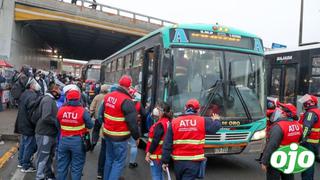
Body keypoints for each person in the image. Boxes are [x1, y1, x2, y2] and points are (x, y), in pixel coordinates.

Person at [91, 75, 140, 180]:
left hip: (107, 134)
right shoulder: (127, 100)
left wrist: (108, 126)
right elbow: (133, 123)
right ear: (129, 86)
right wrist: (136, 137)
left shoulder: (108, 96)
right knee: (118, 162)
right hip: (120, 137)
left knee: (109, 159)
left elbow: (102, 115)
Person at [161, 99, 221, 180]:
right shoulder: (202, 121)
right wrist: (217, 119)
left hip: (178, 162)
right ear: (198, 110)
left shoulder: (174, 122)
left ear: (185, 108)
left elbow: (167, 144)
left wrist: (165, 161)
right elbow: (215, 127)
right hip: (194, 162)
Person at [56, 89, 93, 180]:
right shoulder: (82, 111)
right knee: (76, 167)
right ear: (79, 98)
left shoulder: (61, 110)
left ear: (67, 98)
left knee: (62, 166)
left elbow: (57, 125)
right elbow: (90, 125)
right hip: (78, 142)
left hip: (64, 140)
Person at [261, 104, 303, 180]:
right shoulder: (298, 126)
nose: (278, 113)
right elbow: (300, 140)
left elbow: (271, 146)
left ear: (284, 114)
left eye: (280, 111)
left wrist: (264, 162)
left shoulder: (279, 126)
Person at [14, 78, 41, 172]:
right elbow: (32, 113)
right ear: (31, 86)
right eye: (35, 83)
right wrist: (35, 124)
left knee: (23, 144)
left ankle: (21, 162)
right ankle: (26, 165)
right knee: (29, 146)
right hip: (28, 125)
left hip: (22, 124)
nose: (37, 85)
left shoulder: (24, 94)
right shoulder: (32, 96)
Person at [35, 83, 61, 180]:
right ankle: (39, 177)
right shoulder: (48, 100)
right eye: (59, 90)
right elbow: (46, 117)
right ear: (54, 89)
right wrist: (57, 122)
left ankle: (47, 174)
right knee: (43, 156)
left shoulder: (51, 100)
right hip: (45, 133)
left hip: (50, 133)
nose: (60, 92)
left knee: (49, 156)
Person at [145, 103, 172, 180]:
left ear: (162, 112)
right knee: (161, 175)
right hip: (162, 155)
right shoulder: (167, 121)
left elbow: (155, 141)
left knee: (156, 175)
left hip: (156, 155)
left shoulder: (160, 124)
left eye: (158, 109)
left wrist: (148, 153)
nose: (156, 110)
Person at [298, 94, 319, 180]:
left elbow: (306, 127)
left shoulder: (311, 113)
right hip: (314, 142)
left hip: (308, 142)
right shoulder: (316, 111)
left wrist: (301, 140)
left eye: (305, 102)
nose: (304, 104)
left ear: (311, 102)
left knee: (307, 165)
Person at [89, 84, 109, 179]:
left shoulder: (97, 97)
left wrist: (91, 113)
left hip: (97, 118)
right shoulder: (109, 97)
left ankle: (93, 142)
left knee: (95, 131)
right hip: (106, 121)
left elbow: (92, 106)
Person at [127, 88, 147, 169]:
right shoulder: (138, 104)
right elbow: (144, 114)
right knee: (134, 145)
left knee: (123, 145)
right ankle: (131, 163)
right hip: (135, 126)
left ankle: (121, 162)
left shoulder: (125, 102)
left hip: (124, 126)